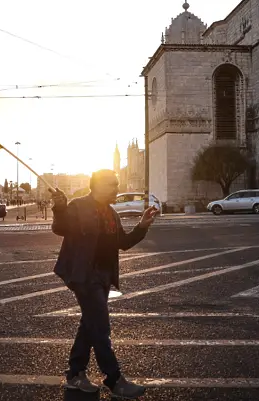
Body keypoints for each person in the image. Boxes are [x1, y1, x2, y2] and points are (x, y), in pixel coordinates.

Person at [51, 169, 159, 399]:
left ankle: (75, 374)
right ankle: (114, 380)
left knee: (89, 325)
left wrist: (142, 225)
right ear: (96, 186)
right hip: (83, 275)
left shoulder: (112, 213)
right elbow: (60, 228)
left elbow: (123, 242)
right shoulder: (79, 206)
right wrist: (59, 207)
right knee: (100, 327)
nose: (116, 189)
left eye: (116, 184)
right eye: (112, 184)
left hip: (102, 276)